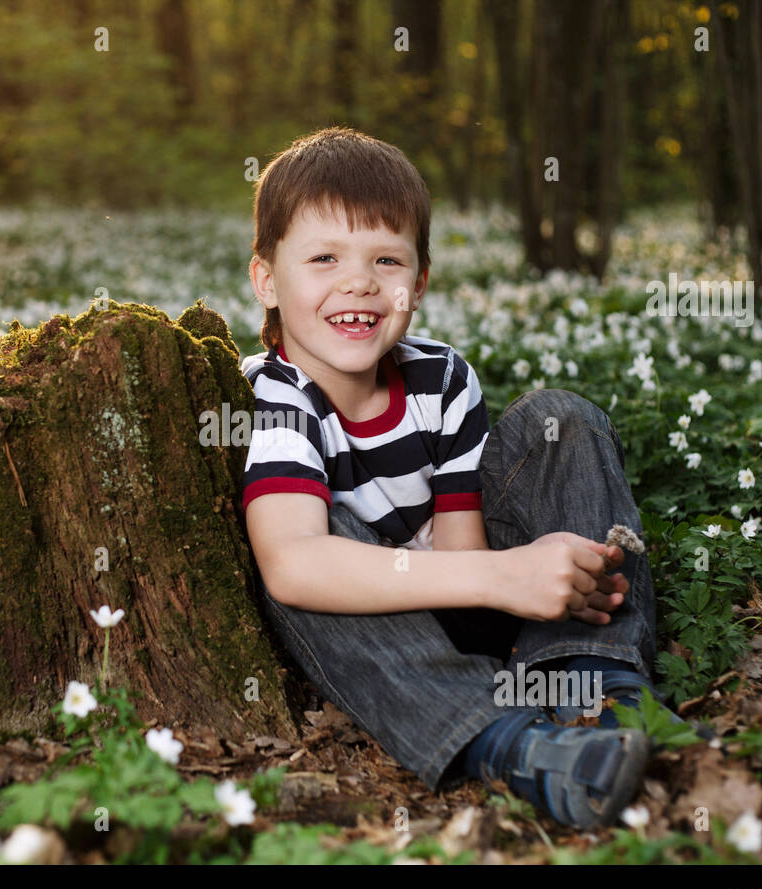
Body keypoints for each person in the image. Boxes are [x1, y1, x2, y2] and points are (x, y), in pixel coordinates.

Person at [239, 126, 676, 830]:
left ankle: (600, 688)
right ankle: (517, 745)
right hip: (381, 632)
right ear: (266, 278)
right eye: (324, 258)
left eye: (387, 259)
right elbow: (292, 566)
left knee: (560, 419)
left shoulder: (441, 376)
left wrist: (510, 575)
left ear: (419, 282)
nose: (359, 281)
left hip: (469, 585)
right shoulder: (274, 397)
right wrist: (502, 576)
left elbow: (464, 545)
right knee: (306, 552)